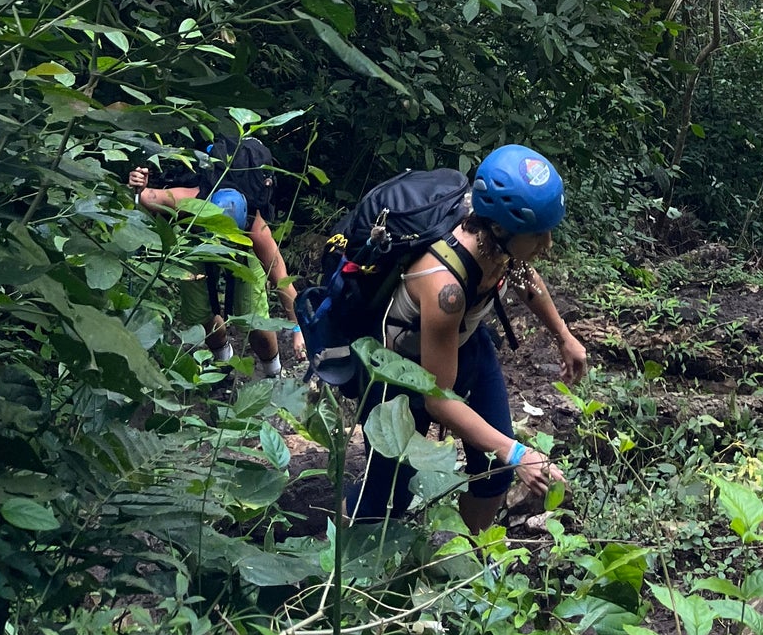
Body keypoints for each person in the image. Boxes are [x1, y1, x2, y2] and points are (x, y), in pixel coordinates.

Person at [350, 144, 589, 533]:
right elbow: (438, 399)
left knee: (494, 475)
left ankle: (470, 555)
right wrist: (517, 452)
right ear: (499, 229)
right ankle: (350, 567)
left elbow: (522, 273)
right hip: (402, 373)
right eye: (538, 234)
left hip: (466, 345)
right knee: (387, 494)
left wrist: (562, 334)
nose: (547, 243)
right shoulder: (446, 289)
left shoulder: (496, 240)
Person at [128, 146, 303, 377]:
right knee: (202, 312)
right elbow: (145, 196)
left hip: (245, 251)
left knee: (254, 320)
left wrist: (298, 329)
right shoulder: (187, 202)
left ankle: (273, 371)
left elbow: (281, 280)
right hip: (196, 240)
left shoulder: (256, 229)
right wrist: (138, 183)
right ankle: (223, 362)